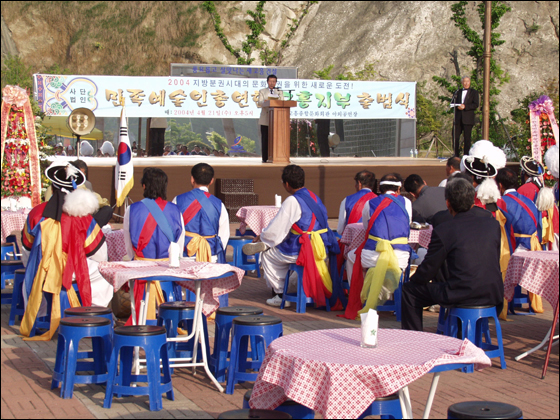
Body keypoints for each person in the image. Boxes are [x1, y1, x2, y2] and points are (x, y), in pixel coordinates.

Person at [20, 162, 112, 340]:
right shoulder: (82, 217)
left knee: (29, 279)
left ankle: (38, 316)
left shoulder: (35, 213)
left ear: (52, 188)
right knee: (103, 272)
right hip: (72, 272)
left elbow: (26, 249)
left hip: (43, 270)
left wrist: (35, 266)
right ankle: (94, 312)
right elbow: (98, 252)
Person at [401, 177, 503, 331]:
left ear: (447, 203)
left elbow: (429, 269)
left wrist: (414, 281)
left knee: (409, 292)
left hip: (462, 293)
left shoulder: (445, 229)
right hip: (493, 293)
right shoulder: (492, 225)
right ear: (472, 200)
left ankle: (415, 343)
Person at [242, 165, 339, 308]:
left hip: (303, 248)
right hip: (322, 247)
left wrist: (263, 237)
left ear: (287, 184)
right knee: (279, 249)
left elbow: (276, 229)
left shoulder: (292, 201)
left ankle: (280, 294)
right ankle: (293, 287)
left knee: (267, 254)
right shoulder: (314, 197)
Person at [343, 173, 412, 320]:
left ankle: (362, 296)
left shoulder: (371, 203)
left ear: (380, 189)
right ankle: (387, 298)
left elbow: (368, 227)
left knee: (350, 255)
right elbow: (408, 223)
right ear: (399, 189)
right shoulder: (407, 202)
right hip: (400, 257)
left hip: (373, 256)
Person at [123, 167, 185, 323]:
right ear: (164, 187)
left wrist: (136, 260)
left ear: (144, 186)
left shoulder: (132, 209)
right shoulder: (175, 210)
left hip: (141, 270)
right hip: (167, 270)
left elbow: (128, 243)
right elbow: (179, 245)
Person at [495, 167, 543, 313]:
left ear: (500, 185)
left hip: (513, 248)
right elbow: (539, 225)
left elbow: (501, 230)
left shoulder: (501, 202)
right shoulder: (529, 202)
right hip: (533, 246)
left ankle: (503, 304)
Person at [172, 163, 229, 263]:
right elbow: (224, 236)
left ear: (192, 179)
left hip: (185, 256)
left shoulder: (178, 200)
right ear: (212, 181)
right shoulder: (219, 204)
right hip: (211, 257)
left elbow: (173, 231)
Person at [336, 170, 377, 235]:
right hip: (372, 241)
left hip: (352, 240)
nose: (355, 186)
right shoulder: (379, 201)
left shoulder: (347, 200)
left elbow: (340, 229)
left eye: (356, 183)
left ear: (359, 183)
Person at [450, 76, 479, 156]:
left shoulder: (474, 92)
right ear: (462, 83)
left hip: (468, 118)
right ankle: (456, 154)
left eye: (468, 81)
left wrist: (465, 106)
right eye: (464, 82)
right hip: (458, 118)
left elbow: (476, 104)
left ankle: (466, 155)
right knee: (455, 136)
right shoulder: (457, 92)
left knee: (467, 138)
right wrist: (457, 106)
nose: (466, 83)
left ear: (470, 82)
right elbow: (452, 103)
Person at [257, 75, 283, 163]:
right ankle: (265, 158)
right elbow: (259, 103)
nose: (272, 83)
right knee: (265, 139)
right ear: (267, 82)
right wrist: (264, 102)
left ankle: (276, 157)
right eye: (270, 81)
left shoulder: (279, 91)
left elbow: (282, 102)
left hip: (276, 119)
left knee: (276, 139)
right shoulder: (262, 91)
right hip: (265, 119)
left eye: (274, 81)